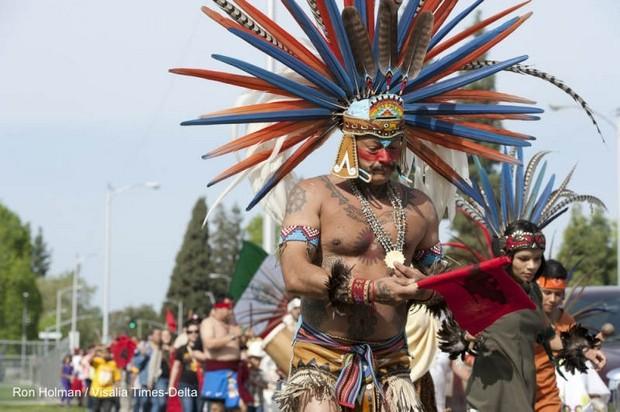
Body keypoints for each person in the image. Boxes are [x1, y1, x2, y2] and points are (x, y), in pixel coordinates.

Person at [196, 297, 244, 412]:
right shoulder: (209, 323)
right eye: (228, 308)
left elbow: (240, 345)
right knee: (217, 407)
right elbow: (209, 344)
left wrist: (242, 337)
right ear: (219, 309)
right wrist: (231, 336)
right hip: (217, 372)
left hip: (234, 372)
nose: (231, 311)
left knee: (238, 407)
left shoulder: (233, 324)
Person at [169, 318, 202, 412]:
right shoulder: (181, 349)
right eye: (190, 332)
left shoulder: (204, 349)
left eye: (196, 331)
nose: (193, 334)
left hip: (200, 385)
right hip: (185, 384)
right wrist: (171, 386)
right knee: (188, 409)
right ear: (186, 333)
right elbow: (176, 367)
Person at [89, 345, 122, 412]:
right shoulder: (98, 361)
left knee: (107, 410)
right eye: (104, 352)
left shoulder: (114, 364)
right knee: (95, 410)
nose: (106, 354)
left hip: (108, 392)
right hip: (96, 392)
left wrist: (116, 390)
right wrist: (95, 351)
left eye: (108, 353)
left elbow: (117, 379)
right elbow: (90, 361)